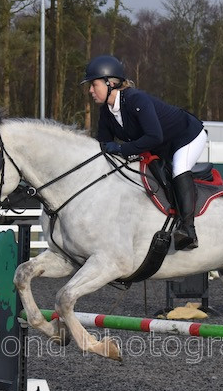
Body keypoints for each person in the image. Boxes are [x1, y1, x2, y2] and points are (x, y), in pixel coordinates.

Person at [82, 54, 207, 251]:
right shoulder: (106, 112)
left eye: (93, 84)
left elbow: (153, 137)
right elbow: (103, 146)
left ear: (110, 83)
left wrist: (122, 149)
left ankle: (188, 231)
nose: (90, 90)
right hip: (160, 145)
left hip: (186, 136)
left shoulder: (135, 99)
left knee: (179, 168)